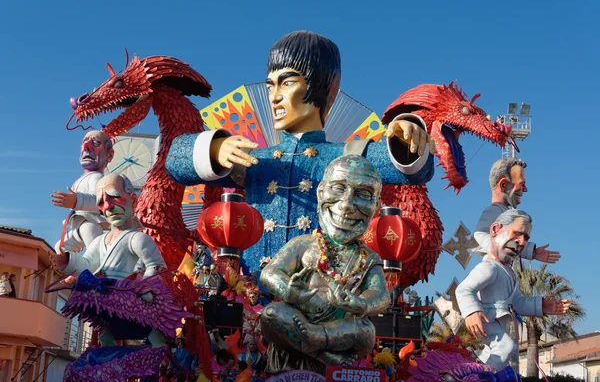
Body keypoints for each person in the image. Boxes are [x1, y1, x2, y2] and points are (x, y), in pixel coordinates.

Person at [166, 30, 435, 273]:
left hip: (323, 303)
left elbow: (415, 171)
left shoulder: (350, 156)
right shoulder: (253, 160)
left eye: (287, 83)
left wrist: (409, 134)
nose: (273, 97)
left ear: (328, 88)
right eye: (270, 85)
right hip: (252, 297)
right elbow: (175, 162)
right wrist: (215, 148)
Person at [259, 155, 391, 372]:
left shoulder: (368, 258)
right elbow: (269, 273)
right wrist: (290, 293)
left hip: (338, 329)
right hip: (296, 319)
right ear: (321, 193)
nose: (347, 205)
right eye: (338, 188)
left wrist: (360, 304)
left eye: (364, 194)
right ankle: (319, 350)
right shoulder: (303, 244)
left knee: (365, 331)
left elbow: (381, 294)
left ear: (376, 205)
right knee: (272, 313)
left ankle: (315, 337)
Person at [456, 209, 571, 371]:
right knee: (505, 347)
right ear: (495, 230)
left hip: (500, 322)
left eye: (526, 238)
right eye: (517, 233)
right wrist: (471, 311)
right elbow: (464, 289)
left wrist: (541, 306)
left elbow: (517, 302)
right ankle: (480, 378)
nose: (522, 242)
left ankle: (470, 372)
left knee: (493, 354)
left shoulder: (509, 272)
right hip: (486, 320)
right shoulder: (489, 268)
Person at [50, 173, 166, 280]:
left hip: (126, 298)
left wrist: (140, 290)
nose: (107, 206)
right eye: (101, 202)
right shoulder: (99, 241)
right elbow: (89, 265)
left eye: (114, 197)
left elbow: (157, 268)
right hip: (101, 297)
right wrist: (67, 261)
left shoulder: (137, 239)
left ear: (134, 200)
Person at [473, 158, 560, 264]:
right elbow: (480, 233)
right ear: (503, 185)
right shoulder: (493, 210)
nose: (525, 189)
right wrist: (498, 251)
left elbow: (512, 240)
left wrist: (532, 252)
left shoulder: (505, 212)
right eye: (522, 184)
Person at [51, 131, 114, 253]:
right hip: (78, 227)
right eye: (84, 142)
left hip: (90, 224)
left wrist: (76, 200)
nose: (86, 146)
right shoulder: (79, 180)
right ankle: (75, 270)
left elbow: (100, 201)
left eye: (95, 143)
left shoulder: (97, 178)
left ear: (109, 155)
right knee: (61, 247)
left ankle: (101, 271)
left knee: (96, 253)